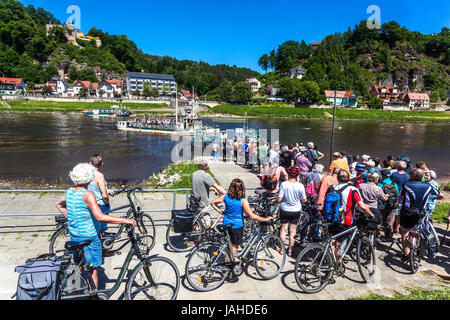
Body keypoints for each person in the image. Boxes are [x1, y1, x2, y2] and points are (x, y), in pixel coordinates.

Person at [56, 163, 136, 289]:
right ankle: (93, 295)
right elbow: (100, 217)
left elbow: (59, 205)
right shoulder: (87, 194)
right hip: (90, 238)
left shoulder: (70, 192)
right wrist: (125, 220)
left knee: (78, 266)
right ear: (88, 178)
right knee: (93, 269)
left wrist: (72, 218)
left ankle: (76, 292)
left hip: (75, 236)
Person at [210, 178, 272, 281]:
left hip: (226, 224)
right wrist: (265, 219)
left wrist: (221, 212)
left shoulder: (226, 196)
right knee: (233, 250)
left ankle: (227, 267)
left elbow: (212, 202)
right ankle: (229, 271)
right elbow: (252, 216)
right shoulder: (243, 200)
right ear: (242, 188)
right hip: (236, 227)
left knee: (228, 249)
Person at [326, 170, 374, 261]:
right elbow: (362, 206)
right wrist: (370, 214)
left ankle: (328, 260)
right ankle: (335, 261)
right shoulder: (352, 189)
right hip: (346, 220)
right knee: (341, 243)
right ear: (348, 179)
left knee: (332, 240)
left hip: (331, 218)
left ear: (337, 178)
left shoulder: (332, 188)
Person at [399, 168, 434, 261]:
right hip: (420, 212)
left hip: (407, 212)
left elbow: (401, 196)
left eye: (410, 173)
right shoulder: (429, 186)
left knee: (404, 232)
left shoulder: (407, 185)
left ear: (414, 175)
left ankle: (406, 254)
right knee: (417, 231)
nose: (409, 174)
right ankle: (415, 248)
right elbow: (439, 194)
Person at [275, 166, 307, 257]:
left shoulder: (284, 184)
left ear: (288, 174)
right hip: (296, 210)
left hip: (284, 209)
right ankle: (290, 250)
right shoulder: (300, 186)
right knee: (292, 231)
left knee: (283, 229)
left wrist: (274, 202)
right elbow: (304, 200)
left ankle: (282, 249)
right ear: (297, 175)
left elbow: (279, 198)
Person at [191, 161, 226, 226]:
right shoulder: (206, 176)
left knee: (197, 220)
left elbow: (200, 185)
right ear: (206, 166)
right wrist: (227, 194)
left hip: (193, 201)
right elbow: (217, 187)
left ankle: (197, 235)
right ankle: (202, 235)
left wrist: (212, 188)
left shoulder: (194, 174)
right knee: (206, 223)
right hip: (202, 202)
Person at [88, 154, 115, 233]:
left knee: (94, 225)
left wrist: (108, 190)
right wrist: (107, 202)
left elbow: (94, 187)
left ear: (90, 163)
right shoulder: (99, 175)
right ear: (101, 164)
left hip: (90, 203)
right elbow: (104, 194)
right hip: (100, 204)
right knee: (102, 227)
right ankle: (101, 242)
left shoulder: (86, 174)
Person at [377, 169, 399, 240]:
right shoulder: (394, 184)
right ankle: (388, 235)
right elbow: (397, 194)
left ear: (382, 175)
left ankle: (377, 235)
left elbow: (378, 195)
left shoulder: (380, 184)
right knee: (390, 220)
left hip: (382, 205)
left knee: (380, 219)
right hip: (392, 204)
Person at [391, 160, 410, 235]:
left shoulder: (394, 175)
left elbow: (391, 184)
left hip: (395, 195)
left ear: (398, 167)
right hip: (404, 196)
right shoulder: (407, 175)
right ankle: (397, 228)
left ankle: (392, 229)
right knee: (399, 213)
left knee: (394, 212)